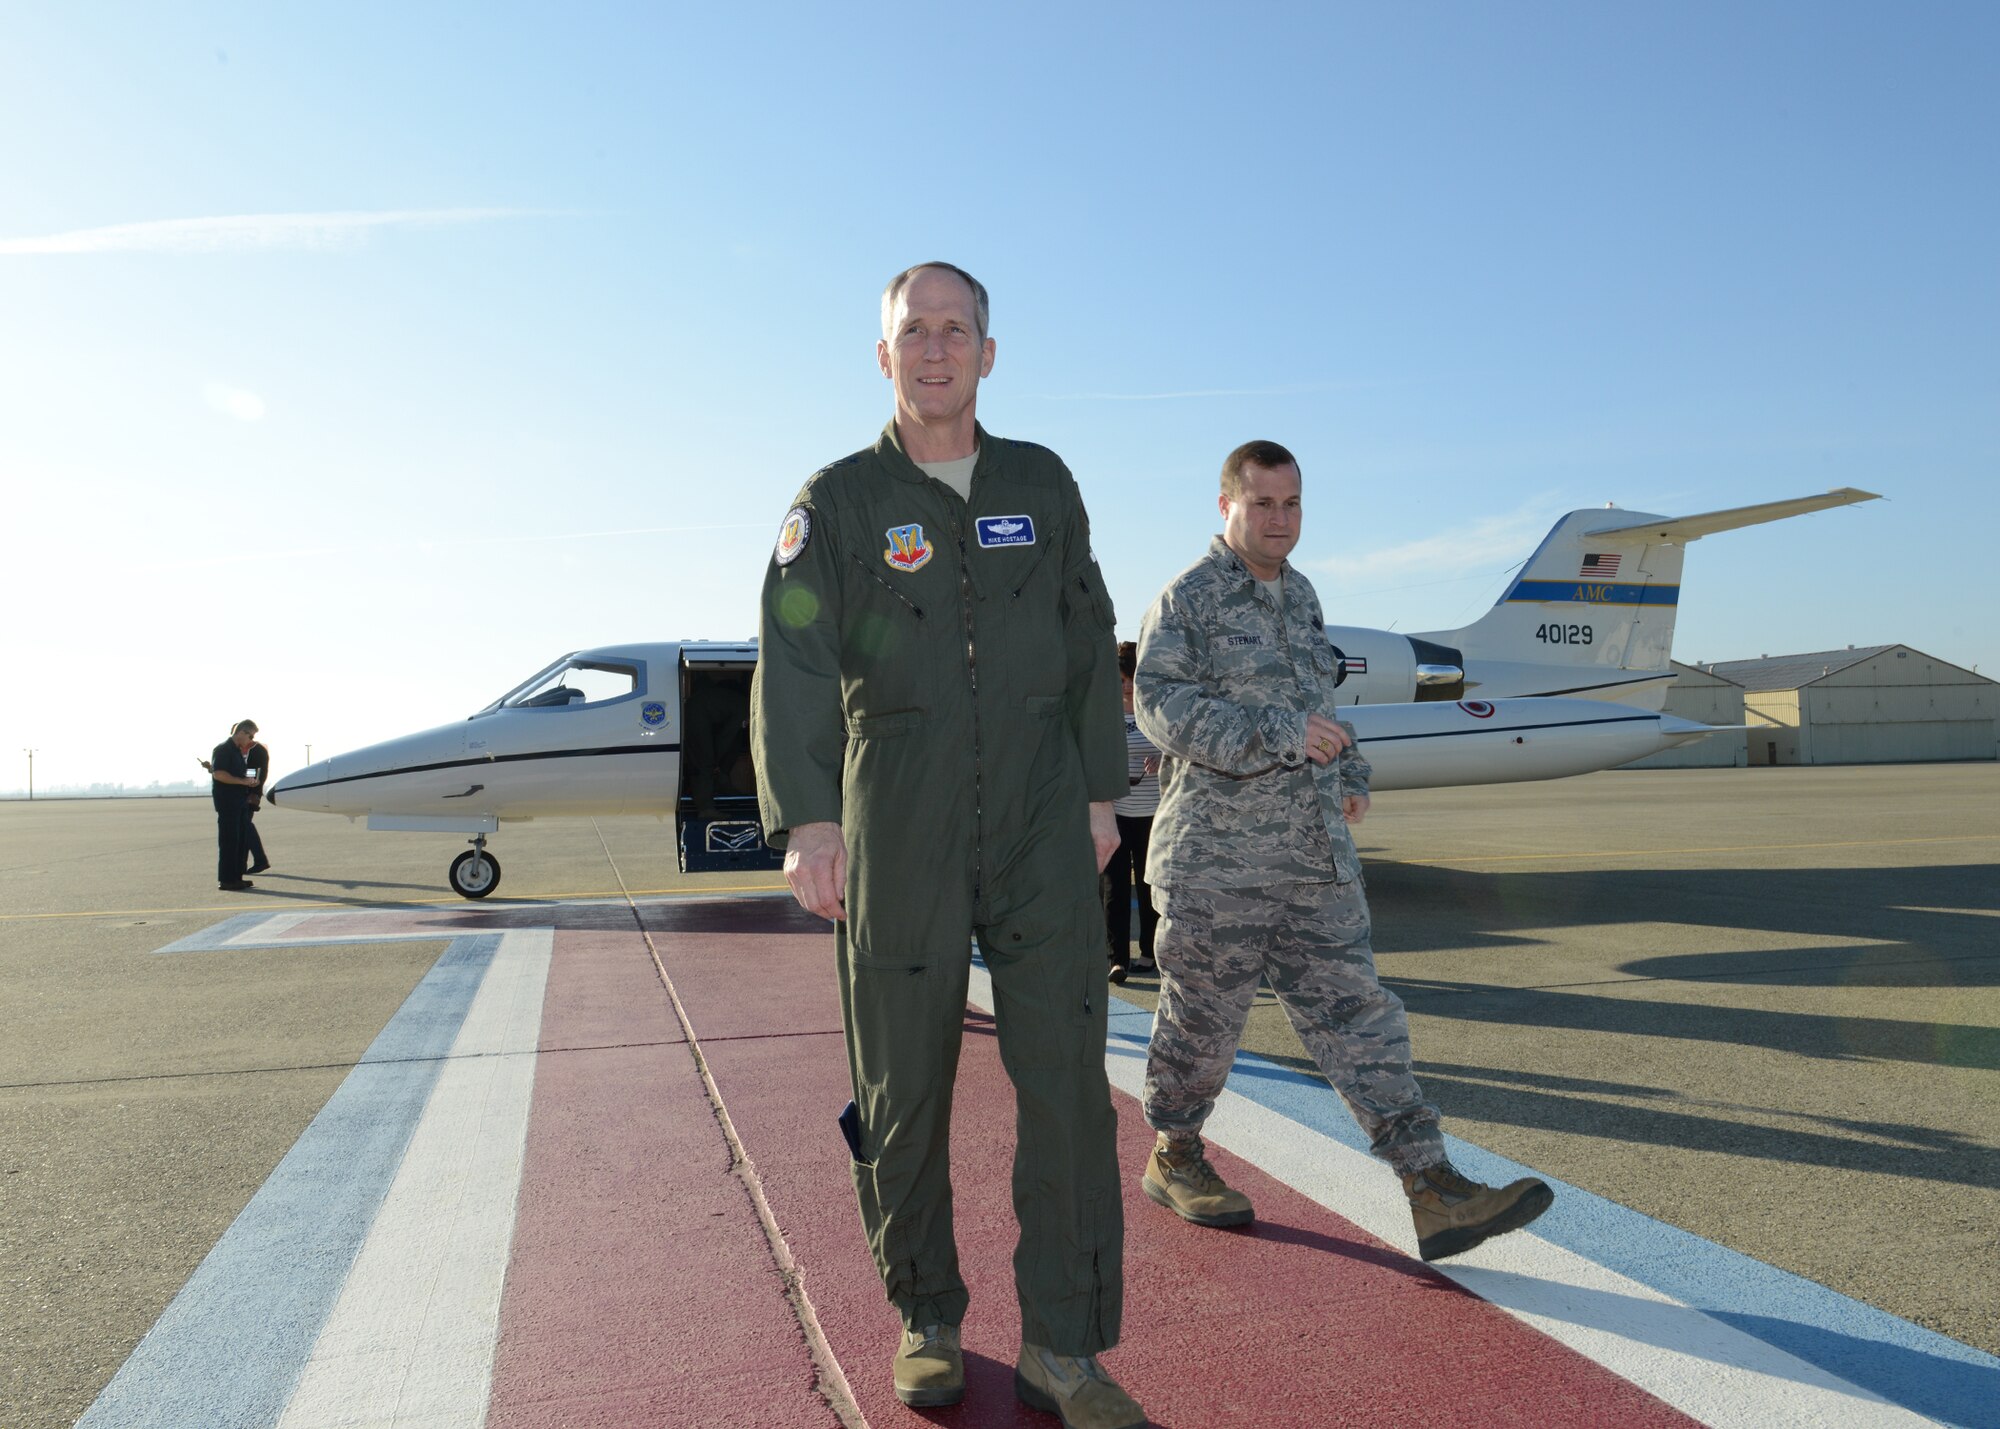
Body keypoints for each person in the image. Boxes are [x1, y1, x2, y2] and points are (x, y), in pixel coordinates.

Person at [752, 262, 1143, 1428]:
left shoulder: (1042, 481)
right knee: (902, 1085)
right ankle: (926, 1313)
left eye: (955, 330)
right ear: (883, 357)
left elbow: (1086, 633)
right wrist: (810, 818)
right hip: (897, 813)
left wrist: (1096, 792)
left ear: (987, 351)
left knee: (1068, 1085)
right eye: (911, 332)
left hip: (1038, 810)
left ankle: (1062, 1345)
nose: (934, 350)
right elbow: (795, 658)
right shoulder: (838, 499)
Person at [1132, 440, 1553, 1262]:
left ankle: (1430, 1183)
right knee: (1204, 1021)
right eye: (1262, 504)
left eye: (1291, 504)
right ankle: (1175, 1153)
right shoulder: (1188, 598)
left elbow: (1317, 699)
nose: (1279, 519)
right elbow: (1162, 707)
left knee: (1361, 1015)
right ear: (1226, 507)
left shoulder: (1302, 598)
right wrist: (1281, 736)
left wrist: (1347, 762)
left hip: (1313, 858)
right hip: (1220, 862)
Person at [1102, 641, 1161, 985]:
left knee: (1150, 887)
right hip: (1115, 813)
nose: (1126, 685)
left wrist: (1163, 760)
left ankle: (1149, 953)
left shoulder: (1154, 713)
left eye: (1132, 677)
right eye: (1122, 678)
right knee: (1114, 890)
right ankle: (1116, 960)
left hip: (1153, 814)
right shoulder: (1104, 713)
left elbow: (1179, 750)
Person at [208, 720, 261, 891]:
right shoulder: (223, 749)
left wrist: (250, 781)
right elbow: (219, 774)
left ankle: (236, 877)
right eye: (251, 736)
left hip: (239, 802)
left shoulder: (238, 752)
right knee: (229, 841)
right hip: (228, 803)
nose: (251, 740)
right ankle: (227, 880)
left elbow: (238, 773)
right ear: (241, 732)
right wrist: (241, 781)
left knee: (239, 841)